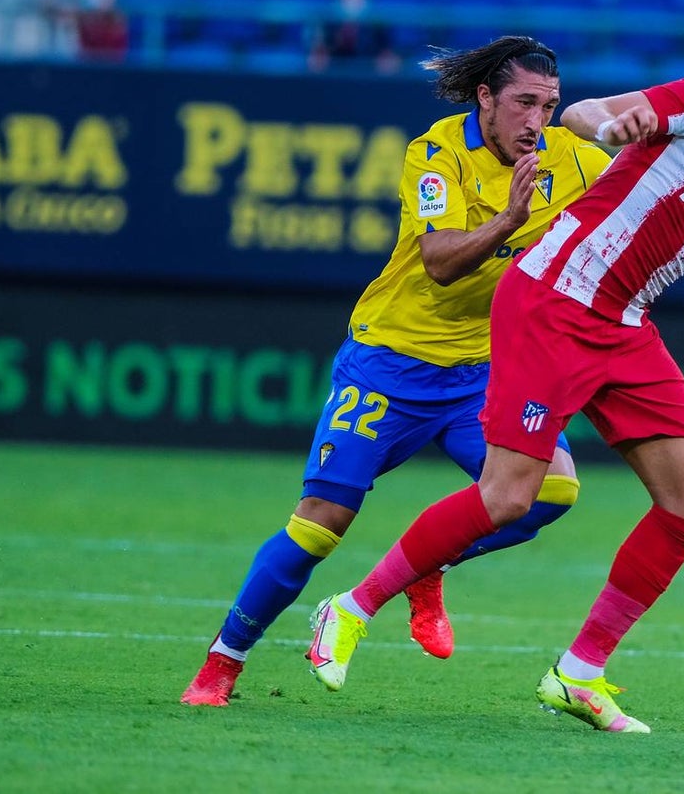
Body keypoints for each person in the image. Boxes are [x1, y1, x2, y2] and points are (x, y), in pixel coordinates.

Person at [305, 25, 684, 733]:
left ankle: (578, 673)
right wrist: (618, 122)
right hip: (552, 299)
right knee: (511, 495)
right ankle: (351, 607)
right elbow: (580, 116)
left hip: (622, 324)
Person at [181, 36, 612, 706]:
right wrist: (509, 220)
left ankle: (425, 566)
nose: (538, 120)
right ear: (486, 98)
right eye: (525, 102)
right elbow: (439, 262)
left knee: (552, 492)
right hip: (390, 362)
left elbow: (656, 204)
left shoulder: (574, 159)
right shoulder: (435, 154)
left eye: (550, 106)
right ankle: (221, 663)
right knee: (320, 522)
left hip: (481, 372)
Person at [308, 0, 401, 75]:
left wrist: (386, 58)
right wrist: (319, 54)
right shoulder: (324, 17)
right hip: (332, 74)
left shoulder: (379, 20)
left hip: (368, 75)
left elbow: (387, 52)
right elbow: (317, 50)